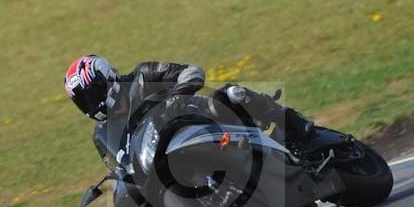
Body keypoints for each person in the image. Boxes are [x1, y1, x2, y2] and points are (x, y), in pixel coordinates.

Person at [63, 54, 314, 148]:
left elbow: (191, 72)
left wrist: (176, 97)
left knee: (231, 95)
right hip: (167, 155)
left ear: (106, 79)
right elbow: (118, 169)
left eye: (91, 94)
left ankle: (293, 122)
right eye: (82, 100)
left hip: (202, 120)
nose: (89, 103)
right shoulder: (102, 134)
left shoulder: (143, 75)